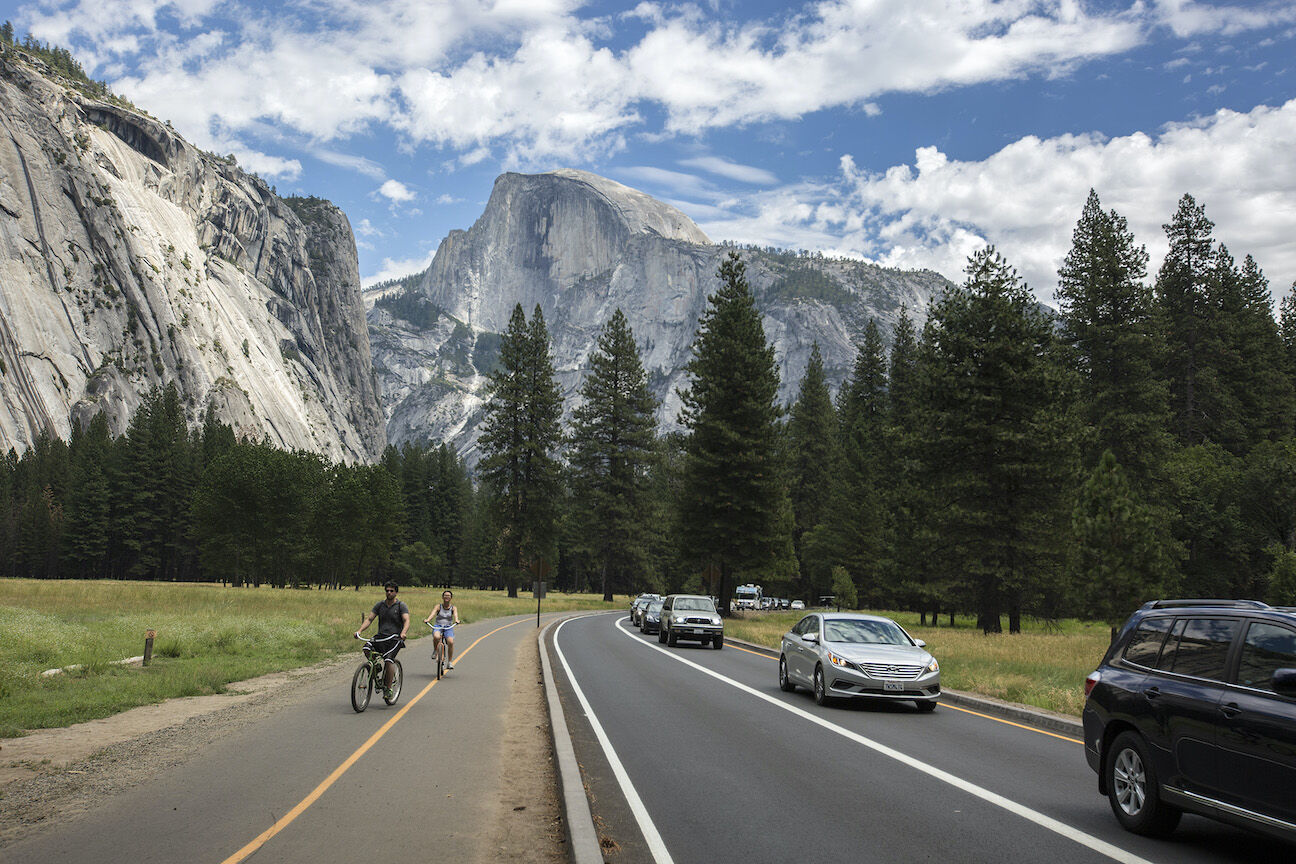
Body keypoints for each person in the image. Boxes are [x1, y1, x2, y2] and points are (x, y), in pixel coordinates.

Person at [355, 581, 409, 696]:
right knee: (366, 648)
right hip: (380, 637)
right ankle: (376, 667)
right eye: (387, 591)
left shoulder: (401, 606)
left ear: (396, 592)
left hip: (395, 638)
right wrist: (359, 631)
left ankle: (388, 688)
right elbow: (369, 619)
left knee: (389, 660)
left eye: (391, 591)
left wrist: (403, 633)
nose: (389, 593)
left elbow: (406, 620)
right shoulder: (380, 605)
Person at [424, 590, 461, 670]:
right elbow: (433, 613)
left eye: (448, 596)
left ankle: (450, 662)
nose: (446, 597)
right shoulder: (438, 606)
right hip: (438, 626)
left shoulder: (453, 608)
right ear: (442, 597)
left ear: (451, 598)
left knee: (450, 642)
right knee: (436, 637)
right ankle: (435, 650)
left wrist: (457, 620)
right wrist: (428, 619)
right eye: (445, 595)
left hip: (448, 627)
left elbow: (455, 615)